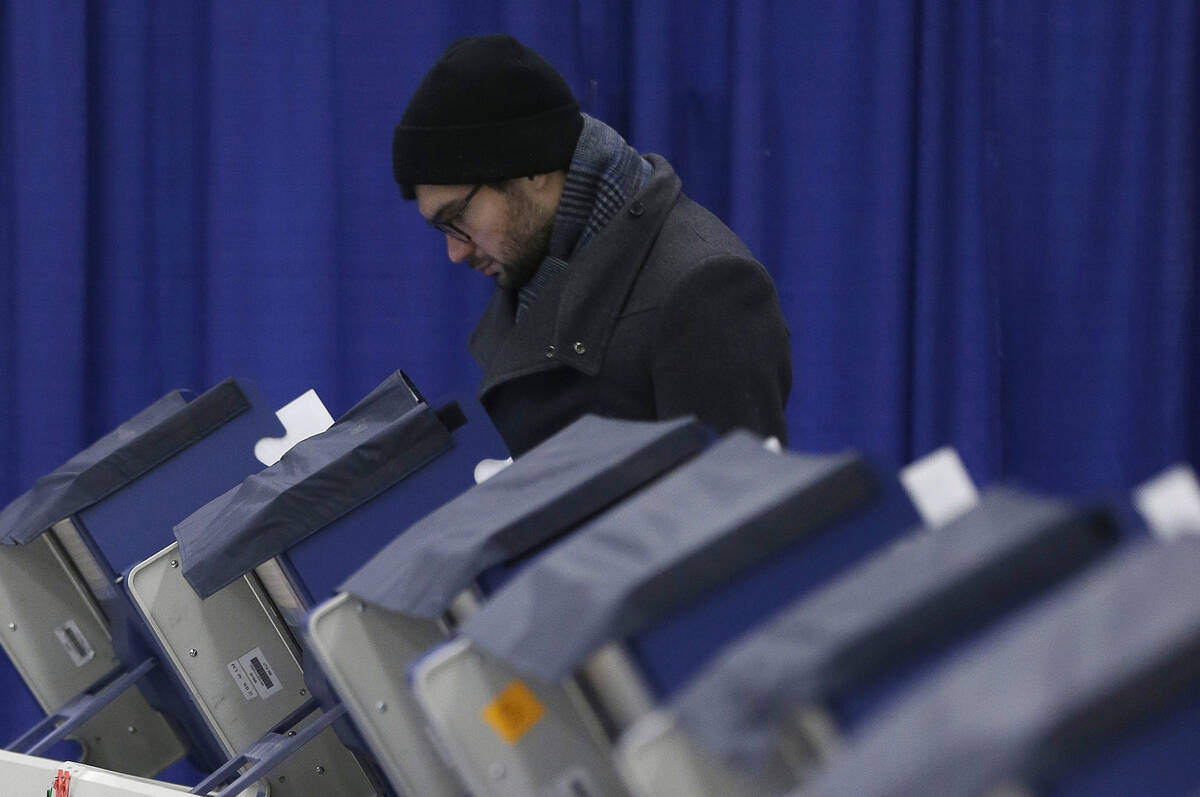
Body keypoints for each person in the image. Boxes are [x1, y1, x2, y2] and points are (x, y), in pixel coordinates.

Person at [392, 34, 792, 457]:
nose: (455, 252)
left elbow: (735, 510)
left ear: (531, 171)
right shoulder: (540, 266)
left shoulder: (706, 287)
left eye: (458, 217)